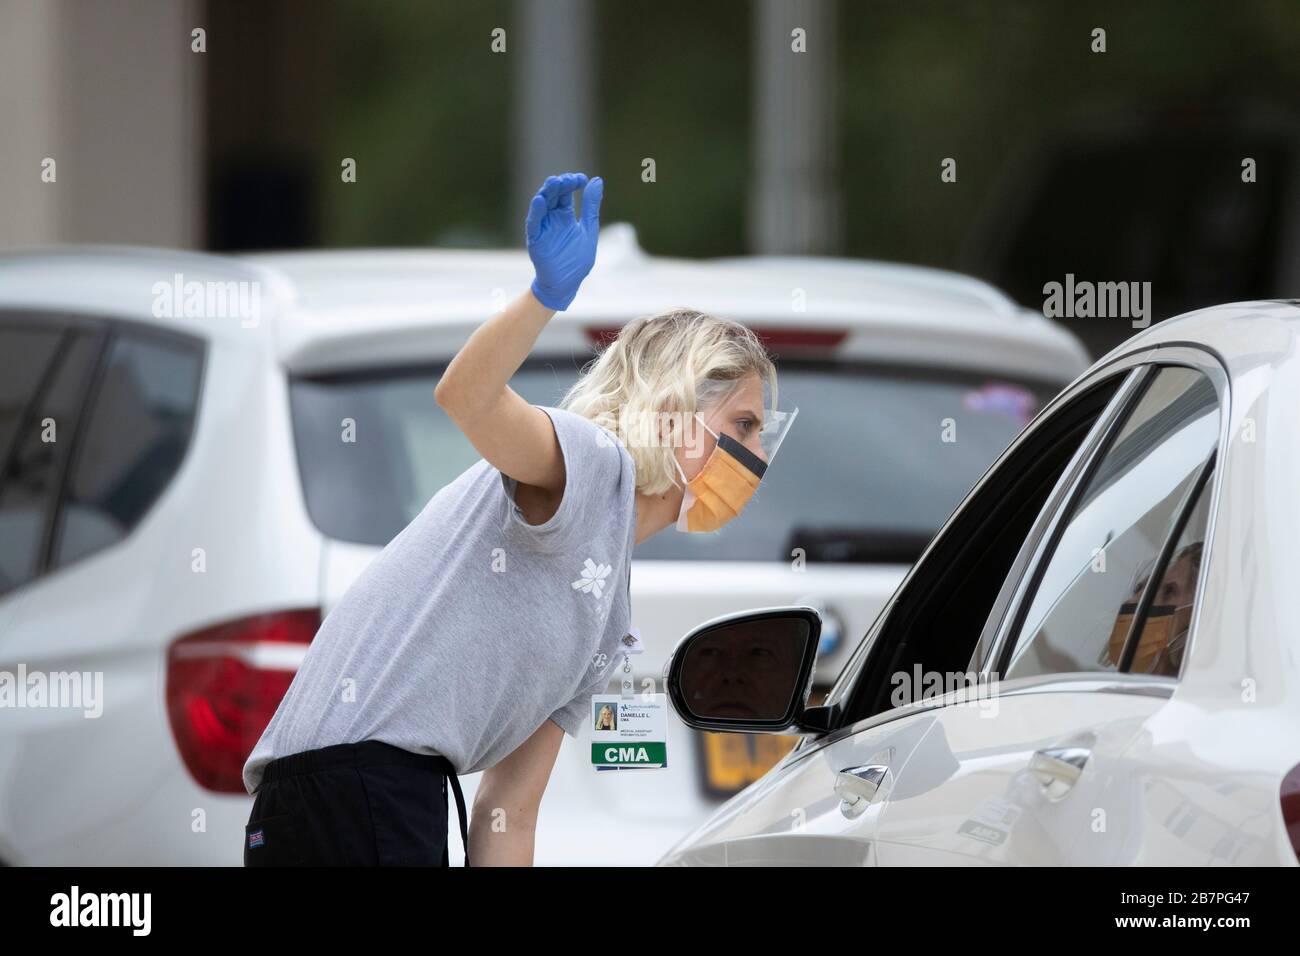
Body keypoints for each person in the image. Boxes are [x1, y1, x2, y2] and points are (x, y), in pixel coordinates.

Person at [240, 171, 795, 866]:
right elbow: (466, 398)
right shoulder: (594, 463)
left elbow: (507, 810)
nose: (759, 453)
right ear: (673, 408)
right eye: (743, 423)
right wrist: (545, 297)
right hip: (360, 791)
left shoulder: (607, 617)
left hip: (372, 796)